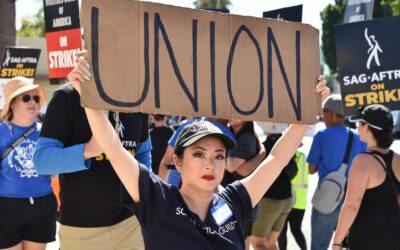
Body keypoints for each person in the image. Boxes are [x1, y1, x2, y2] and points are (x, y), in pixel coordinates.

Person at [67, 57, 329, 249]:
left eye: (218, 156)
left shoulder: (235, 200)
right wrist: (87, 95)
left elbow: (276, 158)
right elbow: (114, 148)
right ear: (177, 162)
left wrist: (307, 112)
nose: (210, 164)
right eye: (199, 154)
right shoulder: (157, 199)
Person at [33, 82, 151, 249]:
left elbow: (143, 153)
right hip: (82, 231)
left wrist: (146, 198)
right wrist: (88, 150)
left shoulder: (137, 98)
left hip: (130, 226)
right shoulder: (67, 97)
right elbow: (42, 161)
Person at [332, 104, 400, 250]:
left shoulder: (362, 161)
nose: (356, 126)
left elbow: (351, 206)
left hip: (368, 237)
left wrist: (336, 243)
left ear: (367, 127)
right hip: (394, 237)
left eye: (358, 123)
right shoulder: (398, 159)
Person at [0, 77, 57, 250]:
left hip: (42, 205)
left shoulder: (48, 132)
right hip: (7, 207)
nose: (33, 102)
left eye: (36, 98)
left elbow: (55, 172)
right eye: (26, 98)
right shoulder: (1, 133)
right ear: (12, 103)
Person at [307, 94, 366, 250]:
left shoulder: (321, 136)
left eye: (324, 112)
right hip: (352, 200)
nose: (322, 116)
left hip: (328, 198)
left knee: (319, 246)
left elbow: (311, 170)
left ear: (332, 113)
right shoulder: (359, 136)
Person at [251, 132, 297, 250]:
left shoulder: (264, 147)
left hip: (270, 201)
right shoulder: (287, 145)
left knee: (258, 243)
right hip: (286, 199)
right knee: (270, 243)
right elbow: (293, 171)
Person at [278, 149, 309, 250]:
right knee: (296, 230)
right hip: (300, 201)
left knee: (282, 231)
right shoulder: (303, 156)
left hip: (285, 198)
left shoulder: (283, 157)